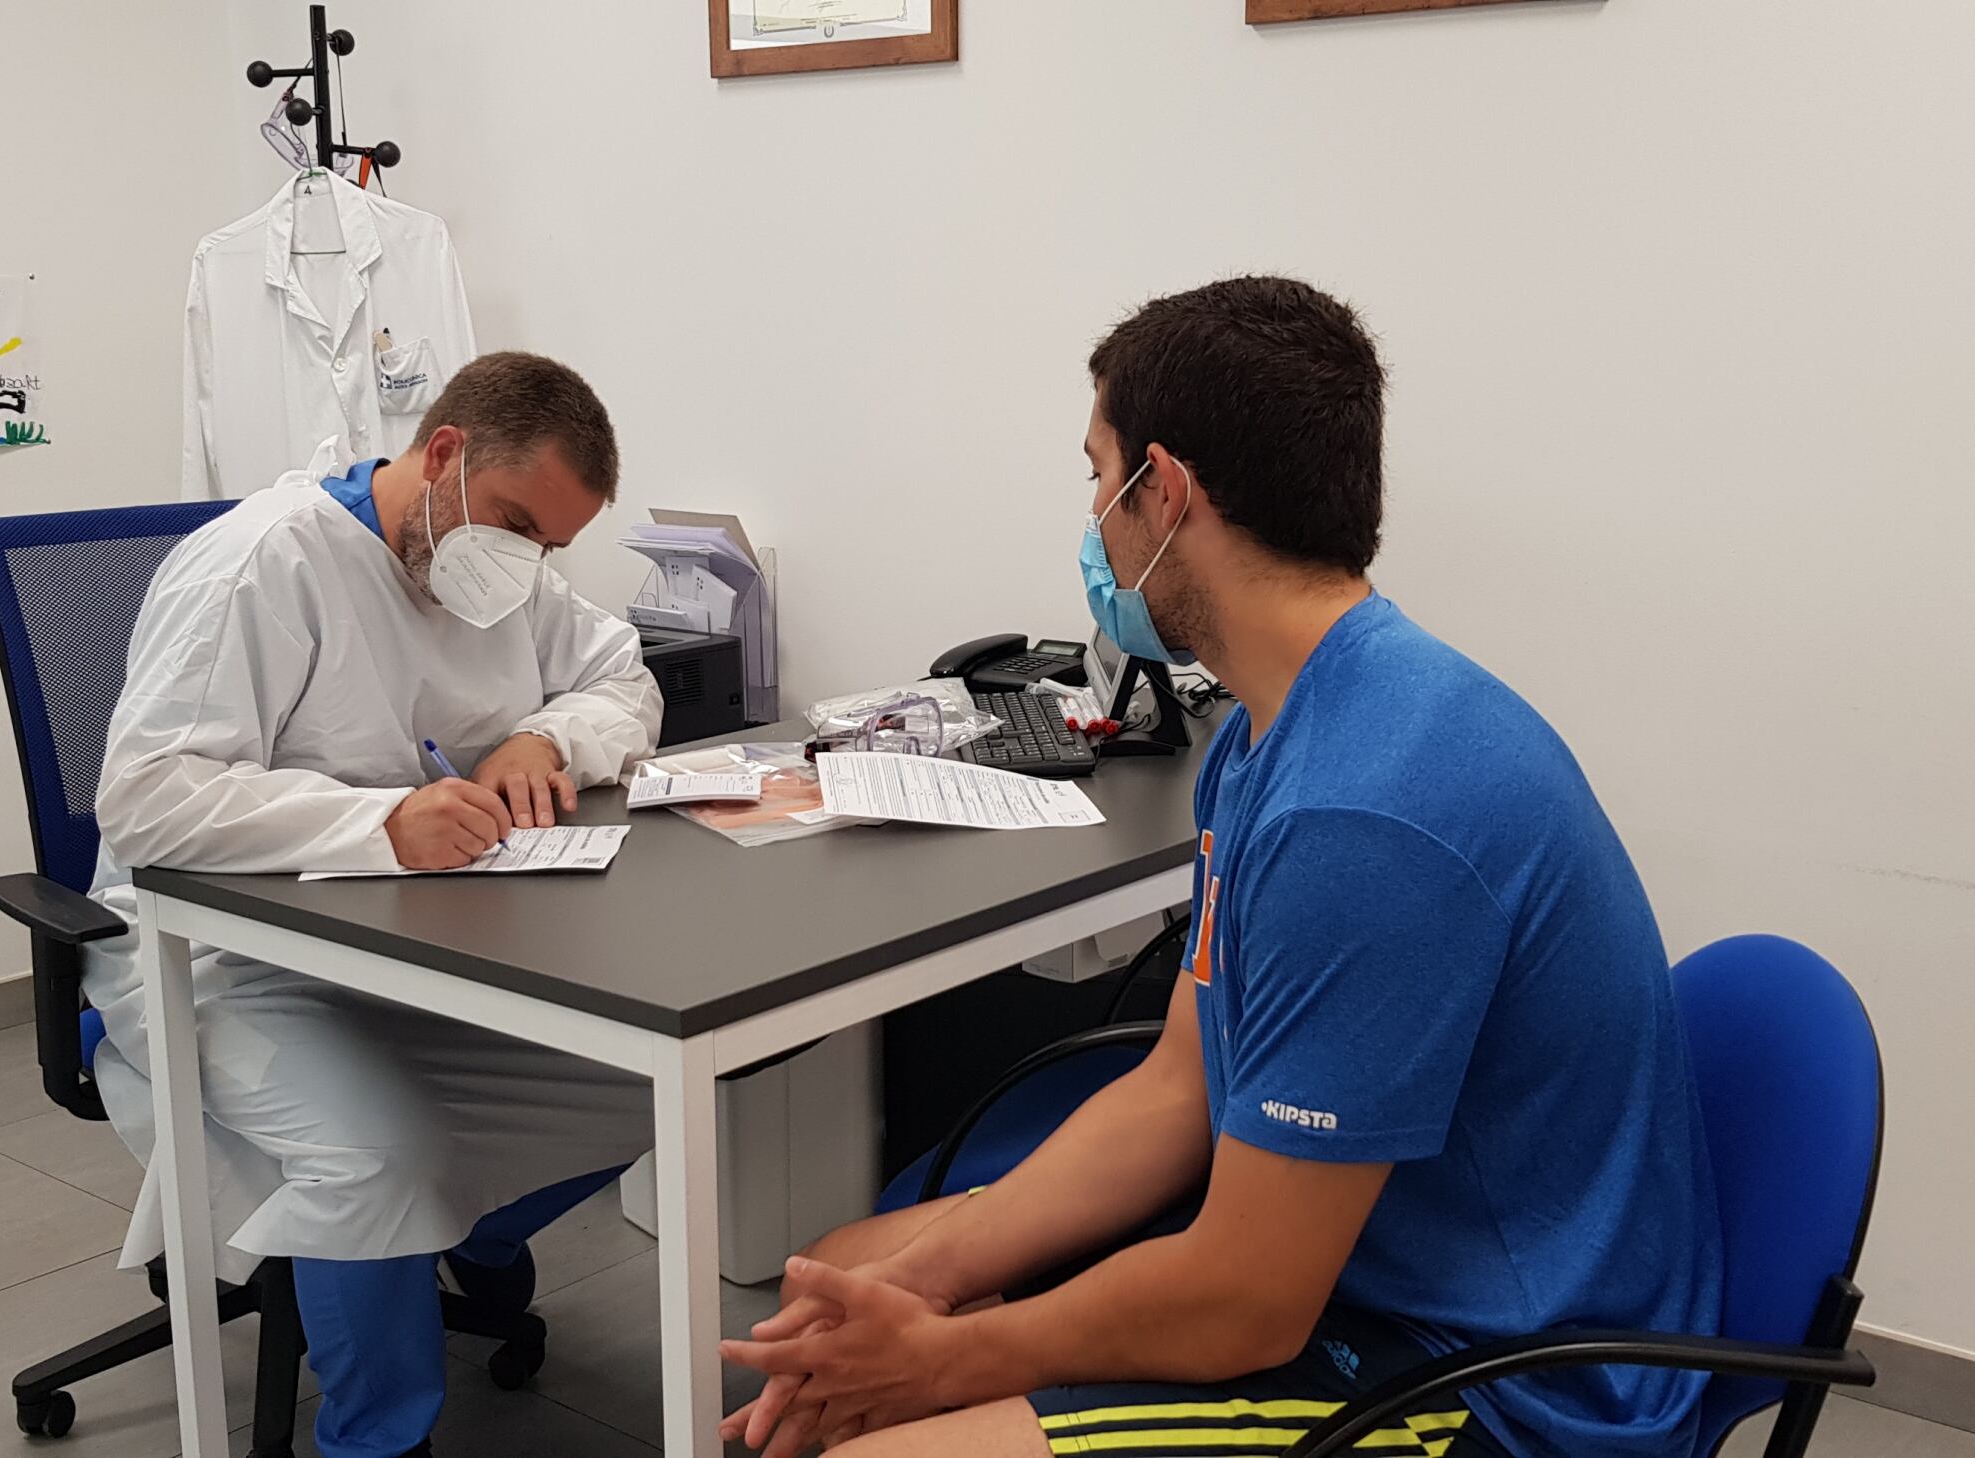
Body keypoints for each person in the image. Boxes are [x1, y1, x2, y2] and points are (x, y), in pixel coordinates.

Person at [719, 278, 1724, 1458]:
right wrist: (918, 1289)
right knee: (846, 1274)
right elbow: (1178, 1090)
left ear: (1164, 490)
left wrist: (944, 1356)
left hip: (1496, 1384)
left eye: (1098, 477)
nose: (1093, 520)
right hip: (1359, 1265)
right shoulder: (1271, 733)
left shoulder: (1364, 818)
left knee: (872, 1447)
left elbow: (1247, 1302)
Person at [81, 351, 661, 1458]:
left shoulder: (502, 573)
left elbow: (623, 677)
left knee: (649, 1087)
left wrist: (548, 737)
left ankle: (460, 1237)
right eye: (516, 524)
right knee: (379, 1158)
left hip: (427, 944)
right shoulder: (262, 566)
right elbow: (149, 800)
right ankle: (376, 1438)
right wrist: (379, 825)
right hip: (227, 960)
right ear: (443, 455)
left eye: (551, 546)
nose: (527, 562)